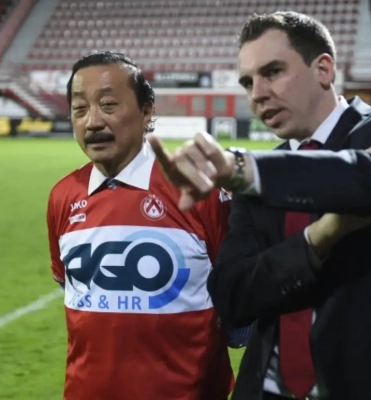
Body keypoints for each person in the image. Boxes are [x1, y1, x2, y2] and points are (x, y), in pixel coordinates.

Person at [148, 11, 371, 400]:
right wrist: (319, 238)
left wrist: (249, 170)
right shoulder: (256, 177)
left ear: (324, 69)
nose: (257, 93)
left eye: (273, 72)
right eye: (247, 82)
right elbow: (232, 297)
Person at [46, 51, 249, 400]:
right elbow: (70, 288)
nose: (92, 122)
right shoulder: (63, 196)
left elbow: (241, 313)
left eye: (108, 105)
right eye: (79, 109)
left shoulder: (197, 189)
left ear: (147, 111)